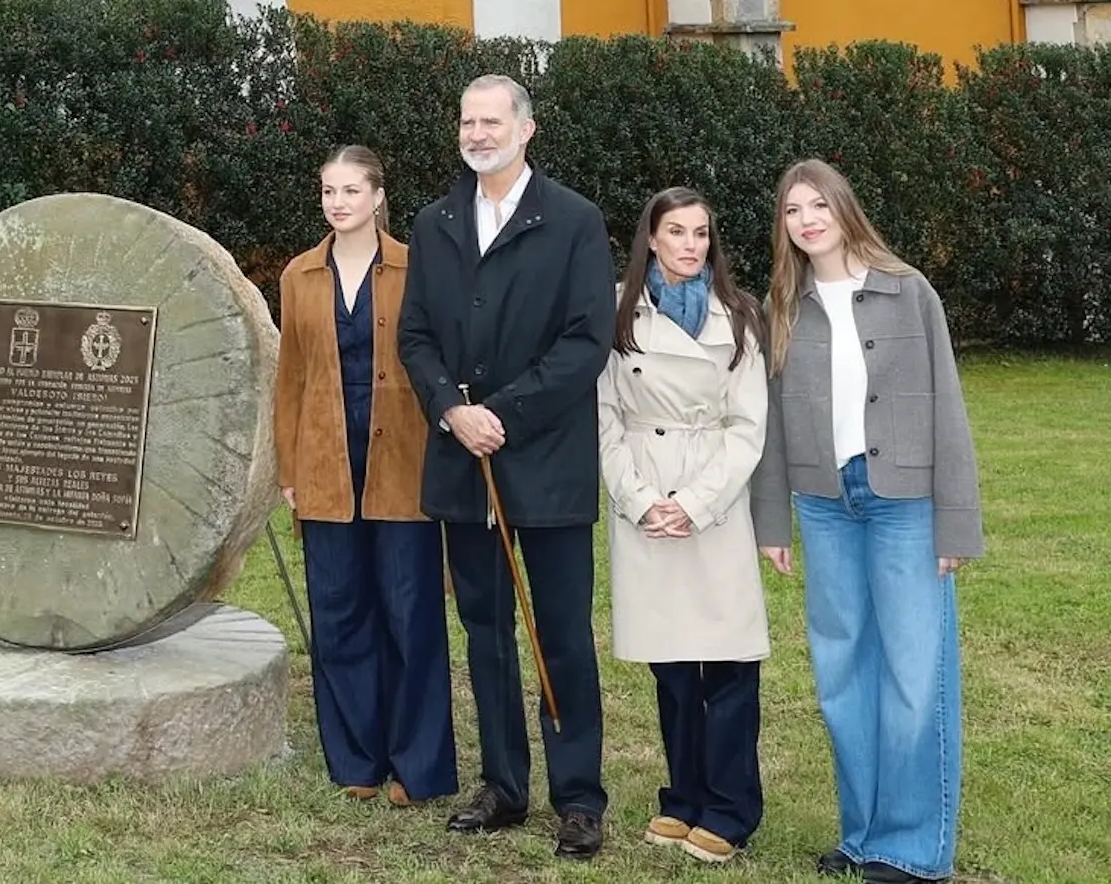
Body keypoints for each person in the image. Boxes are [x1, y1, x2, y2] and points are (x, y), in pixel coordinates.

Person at [397, 74, 616, 860]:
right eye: (467, 119)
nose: (478, 132)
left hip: (548, 463)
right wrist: (453, 413)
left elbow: (587, 341)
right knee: (484, 630)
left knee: (560, 634)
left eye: (492, 120)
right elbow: (415, 335)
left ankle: (580, 798)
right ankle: (502, 785)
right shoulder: (436, 222)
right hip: (463, 464)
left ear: (527, 129)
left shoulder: (574, 222)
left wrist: (505, 414)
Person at [750, 158, 984, 884]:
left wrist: (956, 524)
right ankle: (864, 836)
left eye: (818, 205)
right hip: (825, 504)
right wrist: (773, 520)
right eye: (793, 211)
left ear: (844, 208)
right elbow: (774, 421)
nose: (807, 220)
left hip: (904, 503)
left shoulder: (908, 291)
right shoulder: (784, 304)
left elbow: (948, 405)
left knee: (916, 674)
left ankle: (913, 850)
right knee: (841, 674)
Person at [273, 145, 458, 808]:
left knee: (410, 614)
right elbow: (290, 376)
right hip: (326, 464)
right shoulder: (299, 275)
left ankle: (418, 766)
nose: (339, 202)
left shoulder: (418, 267)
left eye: (352, 190)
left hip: (402, 464)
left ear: (379, 196)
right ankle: (356, 759)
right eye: (329, 191)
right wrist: (290, 465)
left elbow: (442, 361)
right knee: (340, 612)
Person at [597, 186, 771, 865]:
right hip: (643, 489)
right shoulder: (617, 313)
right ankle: (684, 798)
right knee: (672, 664)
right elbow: (604, 416)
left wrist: (695, 503)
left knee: (727, 661)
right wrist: (641, 500)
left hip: (713, 500)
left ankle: (731, 807)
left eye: (701, 233)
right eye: (677, 232)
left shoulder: (742, 316)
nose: (691, 245)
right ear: (650, 239)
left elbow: (747, 426)